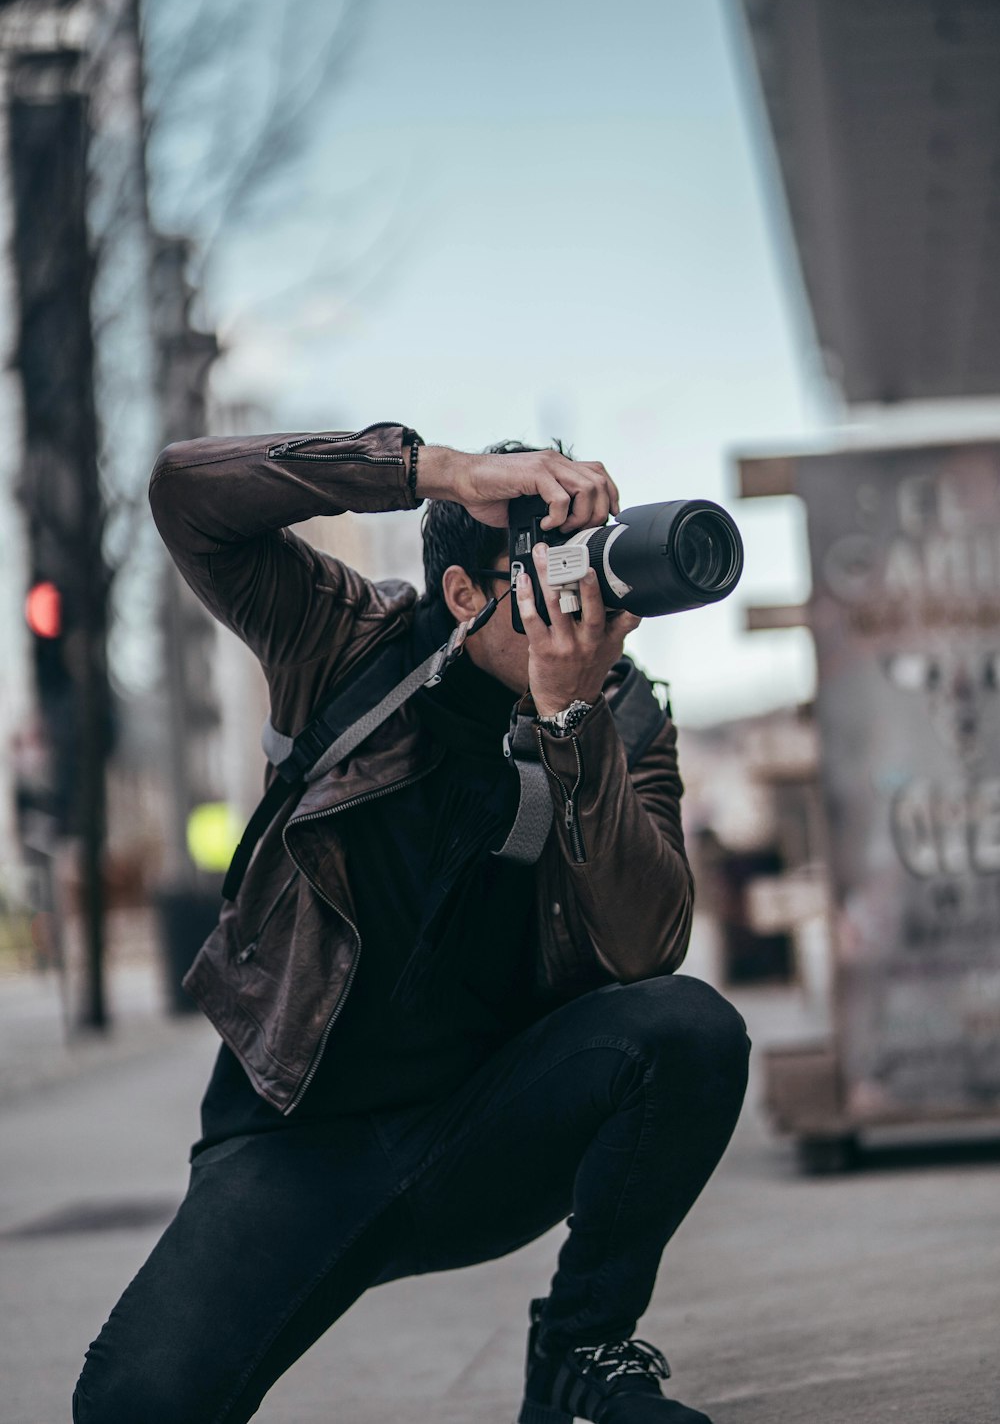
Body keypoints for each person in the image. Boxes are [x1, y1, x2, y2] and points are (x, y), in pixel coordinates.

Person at [73, 423, 750, 1424]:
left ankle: (579, 1354)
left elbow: (647, 947)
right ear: (470, 592)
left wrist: (573, 728)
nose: (587, 603)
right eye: (556, 571)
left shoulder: (623, 719)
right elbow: (184, 491)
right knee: (136, 1407)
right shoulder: (343, 641)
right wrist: (439, 471)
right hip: (296, 1148)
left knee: (687, 1028)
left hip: (485, 1134)